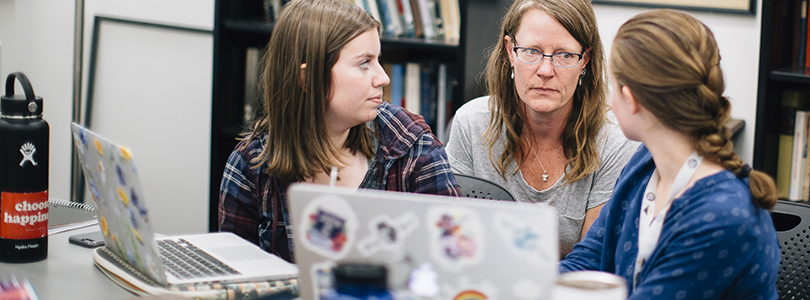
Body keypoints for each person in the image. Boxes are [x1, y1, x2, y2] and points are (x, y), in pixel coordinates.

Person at [559, 10, 781, 300]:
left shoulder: (721, 214)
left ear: (631, 99)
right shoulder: (645, 163)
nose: (609, 99)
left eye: (611, 86)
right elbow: (588, 261)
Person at [219, 0, 460, 262]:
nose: (383, 78)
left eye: (378, 60)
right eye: (364, 63)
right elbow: (237, 277)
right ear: (308, 78)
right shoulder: (251, 163)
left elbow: (453, 260)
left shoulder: (412, 146)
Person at [445, 0, 638, 258]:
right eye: (531, 51)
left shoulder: (614, 140)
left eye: (565, 55)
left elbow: (593, 260)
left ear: (585, 60)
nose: (545, 70)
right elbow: (453, 243)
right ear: (510, 51)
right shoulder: (471, 124)